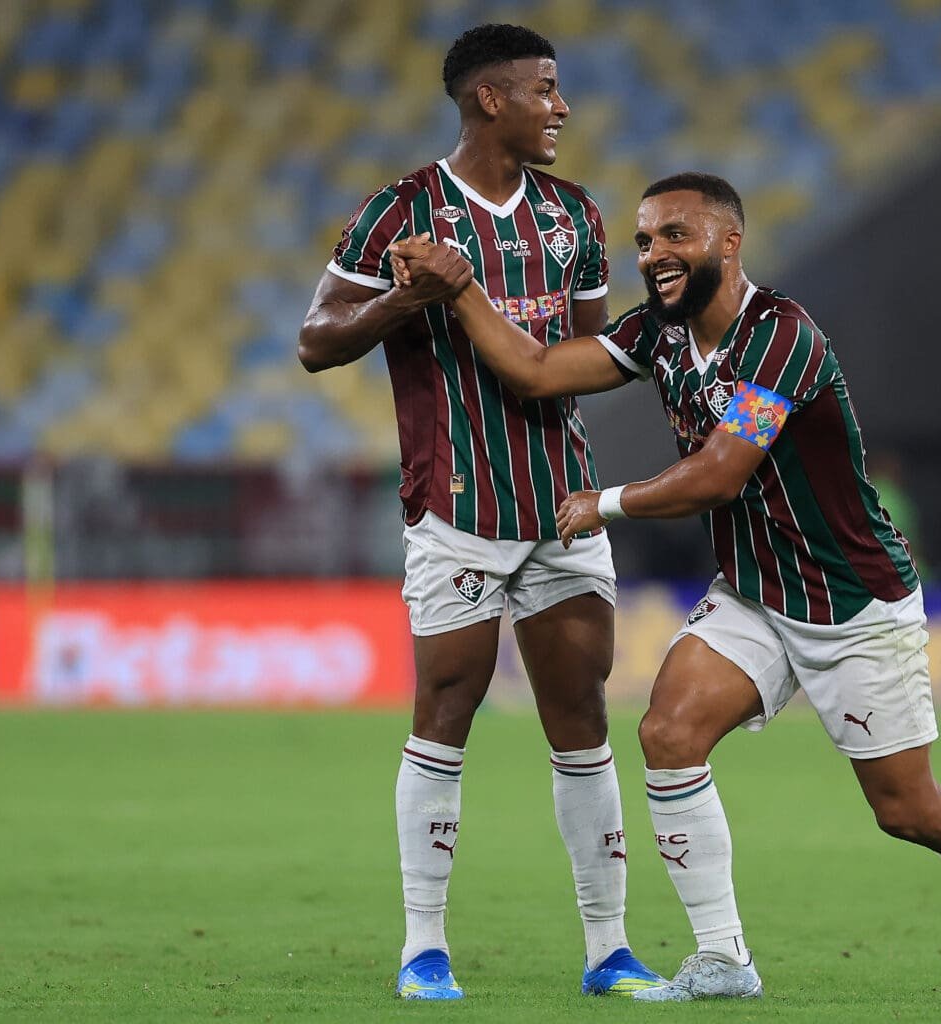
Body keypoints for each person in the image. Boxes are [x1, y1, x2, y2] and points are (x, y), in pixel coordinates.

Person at [388, 171, 941, 1001]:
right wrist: (459, 289)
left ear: (728, 242)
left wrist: (604, 502)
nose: (654, 254)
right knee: (668, 733)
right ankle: (723, 958)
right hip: (754, 593)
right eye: (643, 240)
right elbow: (534, 369)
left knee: (908, 810)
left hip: (851, 602)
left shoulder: (783, 338)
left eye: (676, 235)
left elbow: (717, 475)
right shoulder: (661, 337)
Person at [296, 24, 661, 1001]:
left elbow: (585, 357)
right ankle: (424, 949)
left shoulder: (574, 216)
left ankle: (609, 949)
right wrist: (405, 302)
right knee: (445, 711)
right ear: (488, 99)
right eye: (546, 89)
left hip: (561, 507)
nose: (563, 108)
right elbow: (316, 340)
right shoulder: (400, 212)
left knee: (581, 713)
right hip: (454, 507)